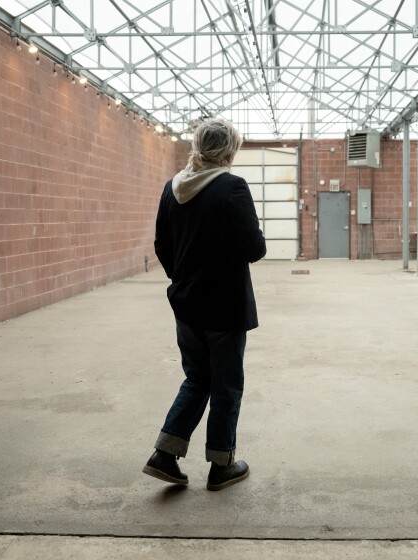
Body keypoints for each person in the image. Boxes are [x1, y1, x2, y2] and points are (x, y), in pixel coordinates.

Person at [143, 117, 266, 491]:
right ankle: (221, 465)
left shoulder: (172, 188)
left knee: (197, 378)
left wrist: (184, 280)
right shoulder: (232, 187)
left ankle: (165, 454)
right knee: (226, 384)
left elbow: (162, 246)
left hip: (187, 304)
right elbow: (255, 249)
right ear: (228, 150)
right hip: (225, 307)